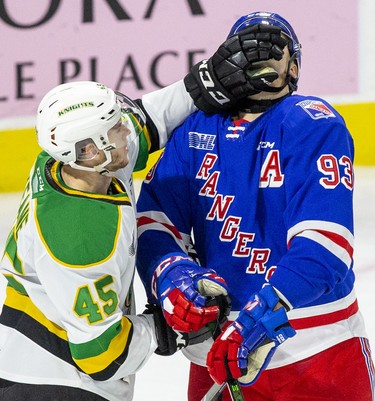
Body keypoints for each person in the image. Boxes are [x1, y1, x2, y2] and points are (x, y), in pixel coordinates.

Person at [0, 29, 276, 401]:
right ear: (91, 152)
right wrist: (167, 330)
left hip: (26, 353)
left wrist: (204, 82)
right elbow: (100, 355)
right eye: (114, 126)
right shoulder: (80, 236)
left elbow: (147, 121)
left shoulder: (71, 161)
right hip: (56, 383)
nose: (125, 128)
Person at [136, 11, 375, 401]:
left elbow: (327, 247)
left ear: (294, 66)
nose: (260, 59)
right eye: (248, 48)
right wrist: (170, 274)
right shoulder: (196, 128)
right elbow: (153, 220)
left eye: (275, 49)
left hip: (315, 345)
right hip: (216, 353)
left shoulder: (311, 123)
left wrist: (261, 315)